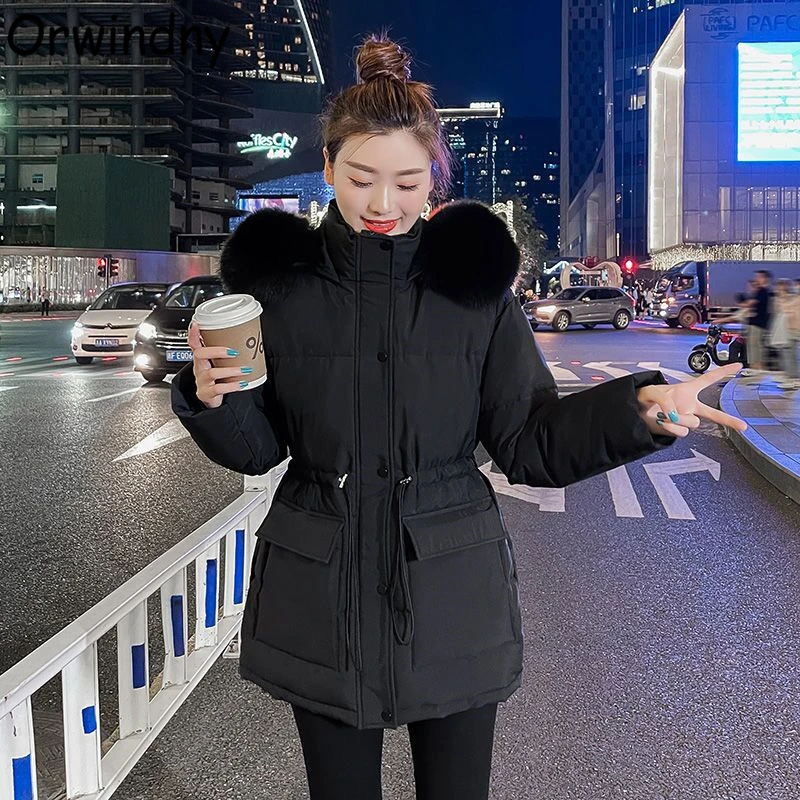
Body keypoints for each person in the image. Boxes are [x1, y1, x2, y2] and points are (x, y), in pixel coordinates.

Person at [170, 34, 747, 800]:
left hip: (451, 588)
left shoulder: (474, 291)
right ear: (330, 167)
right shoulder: (283, 287)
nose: (383, 204)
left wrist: (639, 408)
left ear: (436, 179)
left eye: (408, 181)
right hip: (321, 593)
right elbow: (257, 450)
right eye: (361, 178)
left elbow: (530, 441)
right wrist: (211, 398)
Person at [770, 278, 800, 390]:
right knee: (788, 354)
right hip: (790, 329)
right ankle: (791, 377)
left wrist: (781, 297)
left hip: (795, 329)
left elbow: (786, 309)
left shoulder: (794, 298)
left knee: (790, 355)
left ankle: (794, 379)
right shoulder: (789, 298)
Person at [743, 269, 772, 375]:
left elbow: (750, 304)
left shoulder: (762, 291)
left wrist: (745, 302)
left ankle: (757, 372)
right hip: (756, 325)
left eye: (758, 277)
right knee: (754, 350)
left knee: (755, 351)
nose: (756, 279)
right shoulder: (761, 291)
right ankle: (755, 371)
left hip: (757, 325)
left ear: (764, 278)